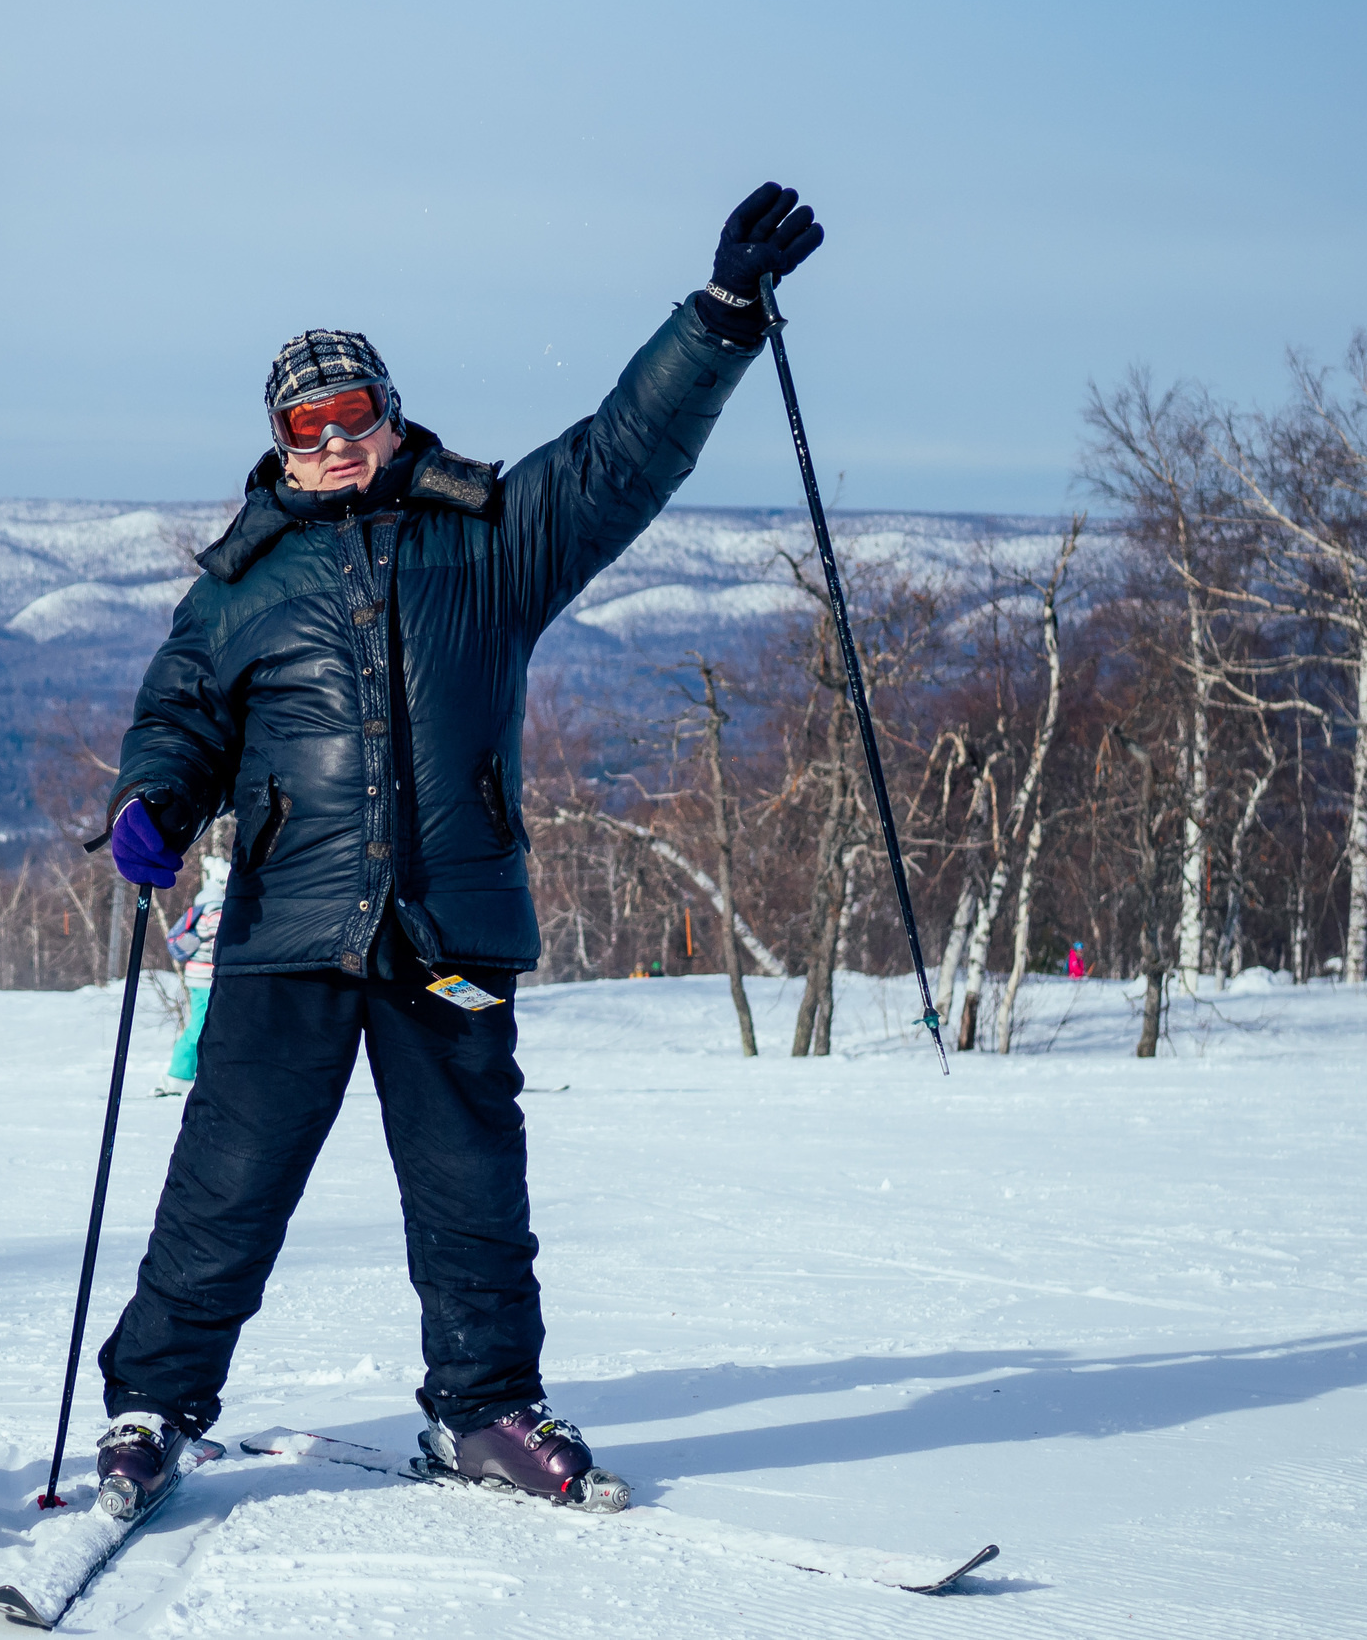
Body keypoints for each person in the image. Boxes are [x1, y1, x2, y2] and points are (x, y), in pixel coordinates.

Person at [90, 184, 824, 1515]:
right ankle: (150, 1403)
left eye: (351, 416)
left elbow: (620, 453)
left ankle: (483, 1405)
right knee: (226, 1187)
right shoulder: (239, 582)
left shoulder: (489, 534)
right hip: (289, 931)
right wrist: (151, 798)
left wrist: (717, 320)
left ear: (388, 410)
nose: (331, 442)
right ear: (276, 440)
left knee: (470, 1184)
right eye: (304, 426)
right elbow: (180, 718)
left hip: (451, 918)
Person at [157, 855, 230, 1097]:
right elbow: (223, 938)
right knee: (201, 1026)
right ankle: (180, 1076)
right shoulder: (216, 907)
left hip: (198, 977)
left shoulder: (204, 905)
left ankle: (191, 1075)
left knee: (204, 1025)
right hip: (205, 978)